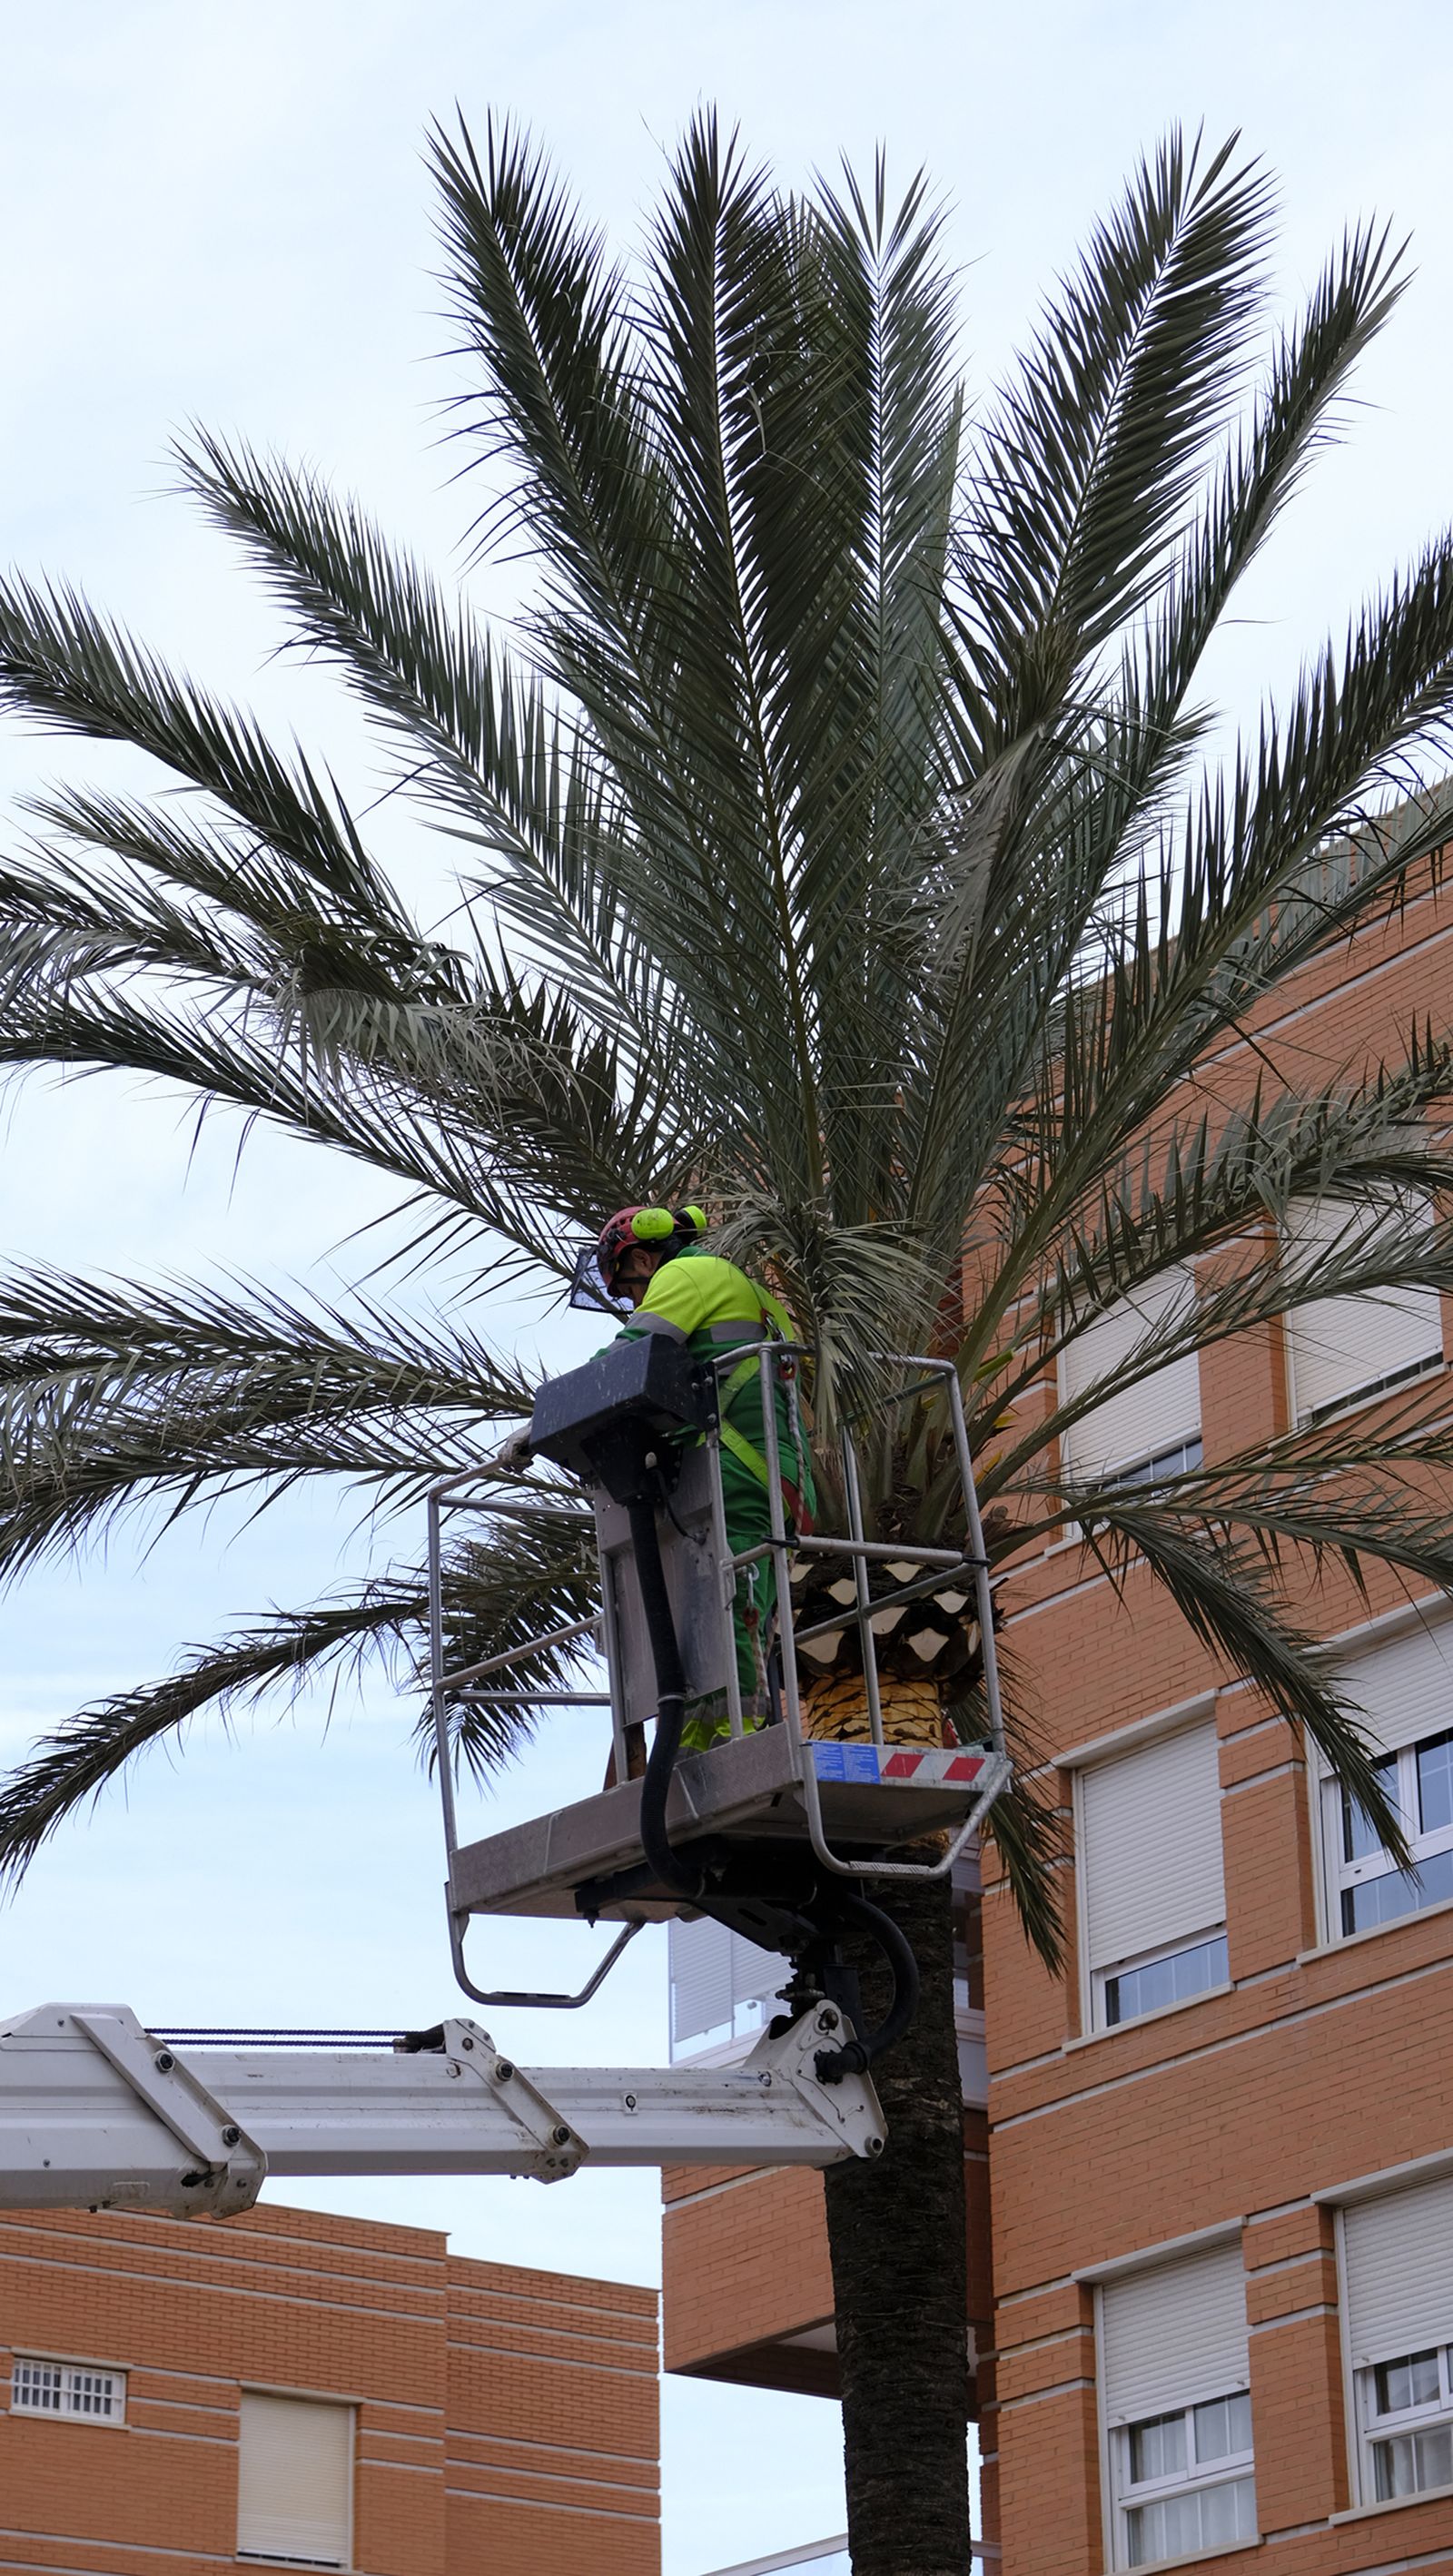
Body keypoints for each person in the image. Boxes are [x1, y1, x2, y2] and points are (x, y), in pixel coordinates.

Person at [595, 1204, 815, 1742]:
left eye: (628, 1291)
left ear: (644, 1258)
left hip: (740, 1466)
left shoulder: (687, 1274)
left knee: (729, 1601)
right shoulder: (742, 1288)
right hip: (762, 1468)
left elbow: (626, 1358)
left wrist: (542, 1422)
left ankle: (728, 1739)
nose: (632, 1304)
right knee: (732, 1603)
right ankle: (712, 1735)